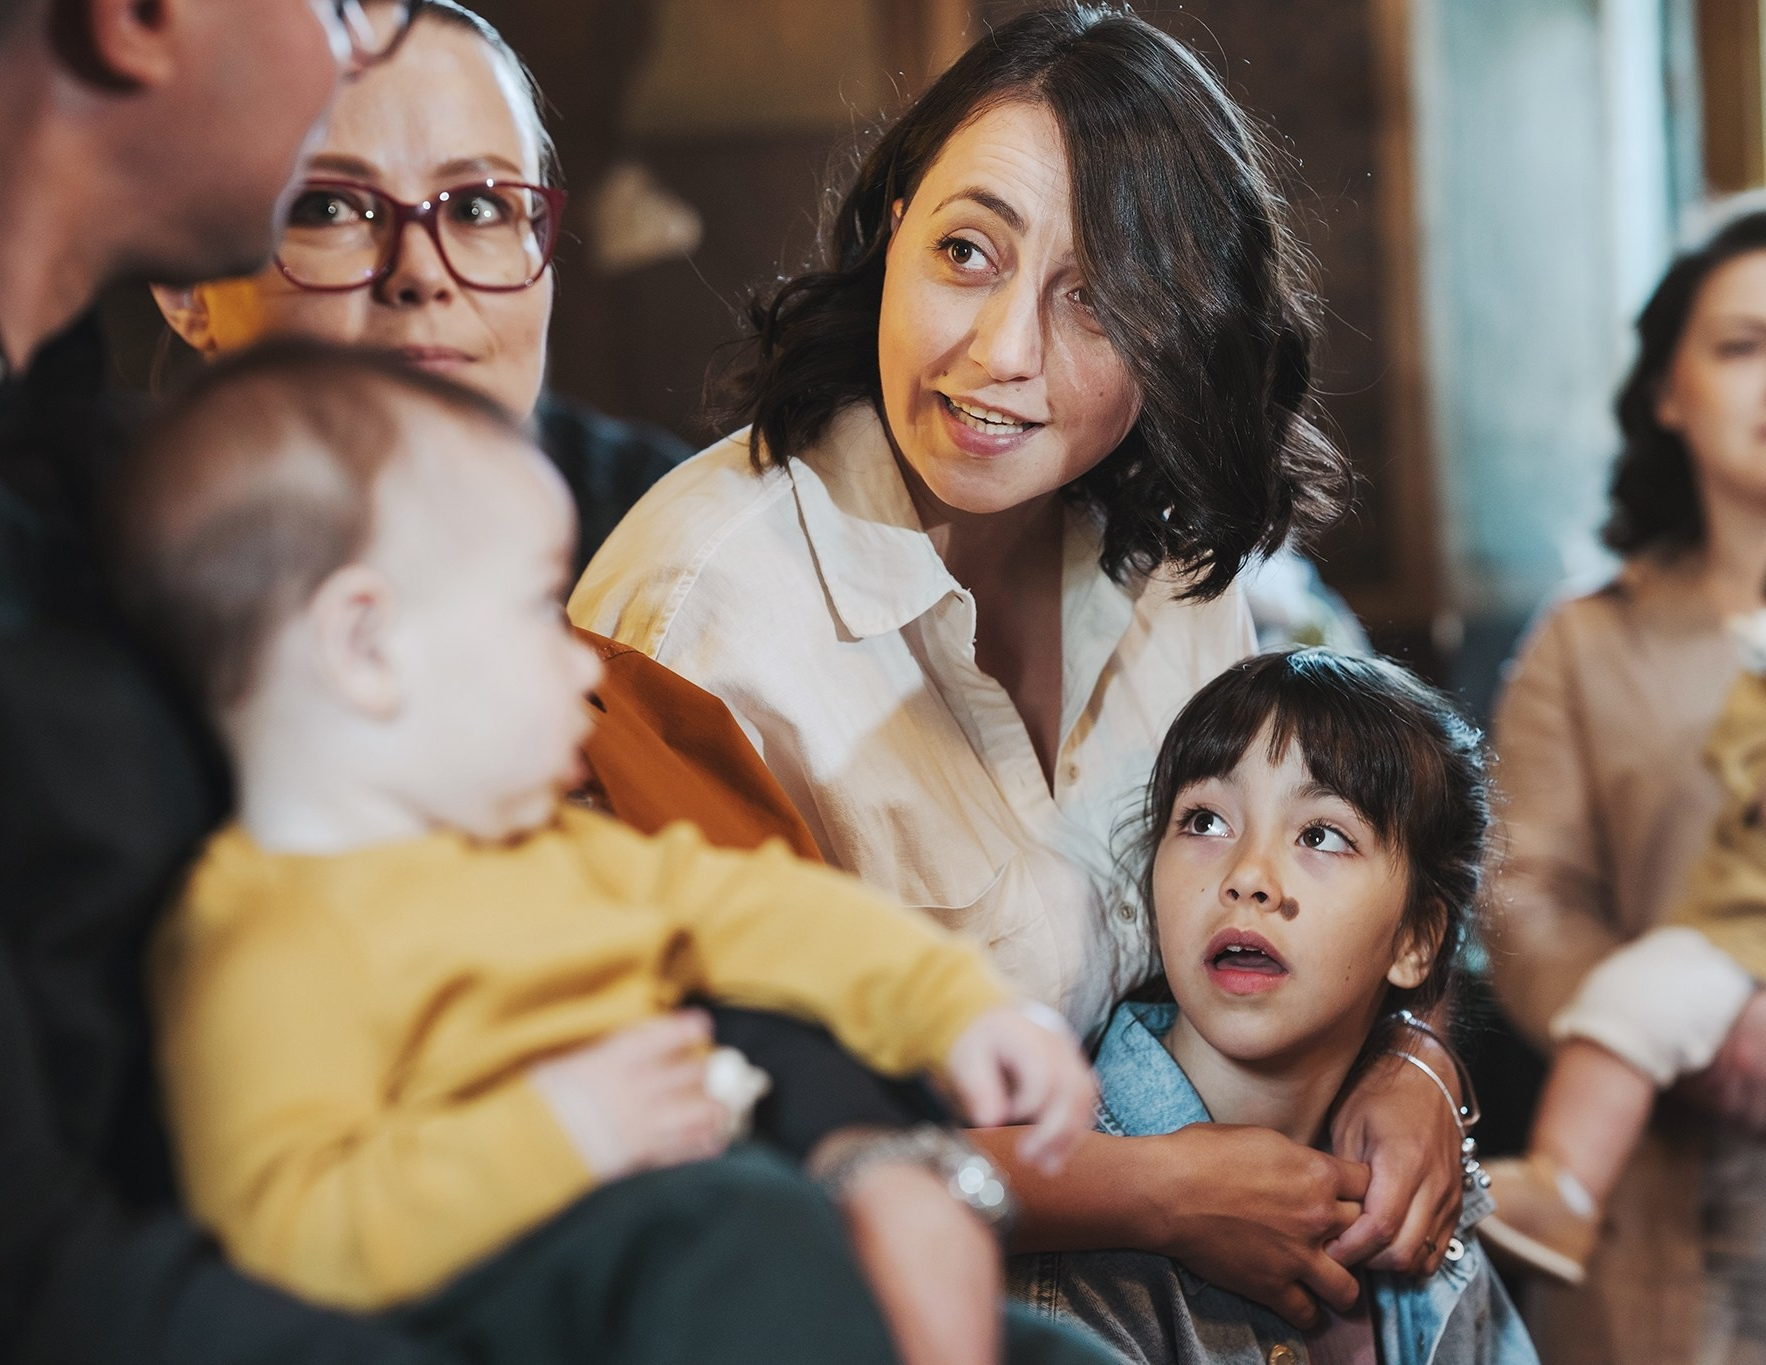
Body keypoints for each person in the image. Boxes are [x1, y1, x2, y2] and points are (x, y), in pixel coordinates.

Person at [574, 2, 1473, 1325]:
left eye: (1099, 299)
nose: (1000, 353)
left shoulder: (1167, 563)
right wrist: (1145, 1191)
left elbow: (1324, 860)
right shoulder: (702, 613)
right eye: (966, 251)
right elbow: (714, 1116)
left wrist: (1415, 1055)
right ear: (892, 233)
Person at [113, 341, 1109, 1365]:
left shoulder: (549, 849)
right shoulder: (262, 931)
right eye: (537, 614)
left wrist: (959, 1009)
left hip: (737, 1260)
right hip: (541, 1294)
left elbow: (765, 911)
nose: (583, 667)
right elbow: (285, 1236)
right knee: (740, 1227)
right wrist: (561, 1130)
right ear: (365, 648)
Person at [0, 2, 475, 1361]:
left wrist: (864, 1155)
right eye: (343, 6)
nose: (357, 54)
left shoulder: (96, 450)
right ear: (141, 19)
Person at [1485, 207, 1766, 1364]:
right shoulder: (1587, 641)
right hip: (1655, 1220)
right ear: (1667, 390)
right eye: (1742, 345)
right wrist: (1706, 1040)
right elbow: (1522, 899)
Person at [1011, 650, 1536, 1365]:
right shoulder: (1068, 1244)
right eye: (1203, 821)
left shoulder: (1422, 1200)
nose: (1248, 877)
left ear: (1415, 940)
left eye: (1321, 834)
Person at [150, 0, 685, 577]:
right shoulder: (79, 586)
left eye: (479, 207)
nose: (422, 272)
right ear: (186, 286)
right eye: (327, 208)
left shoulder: (664, 535)